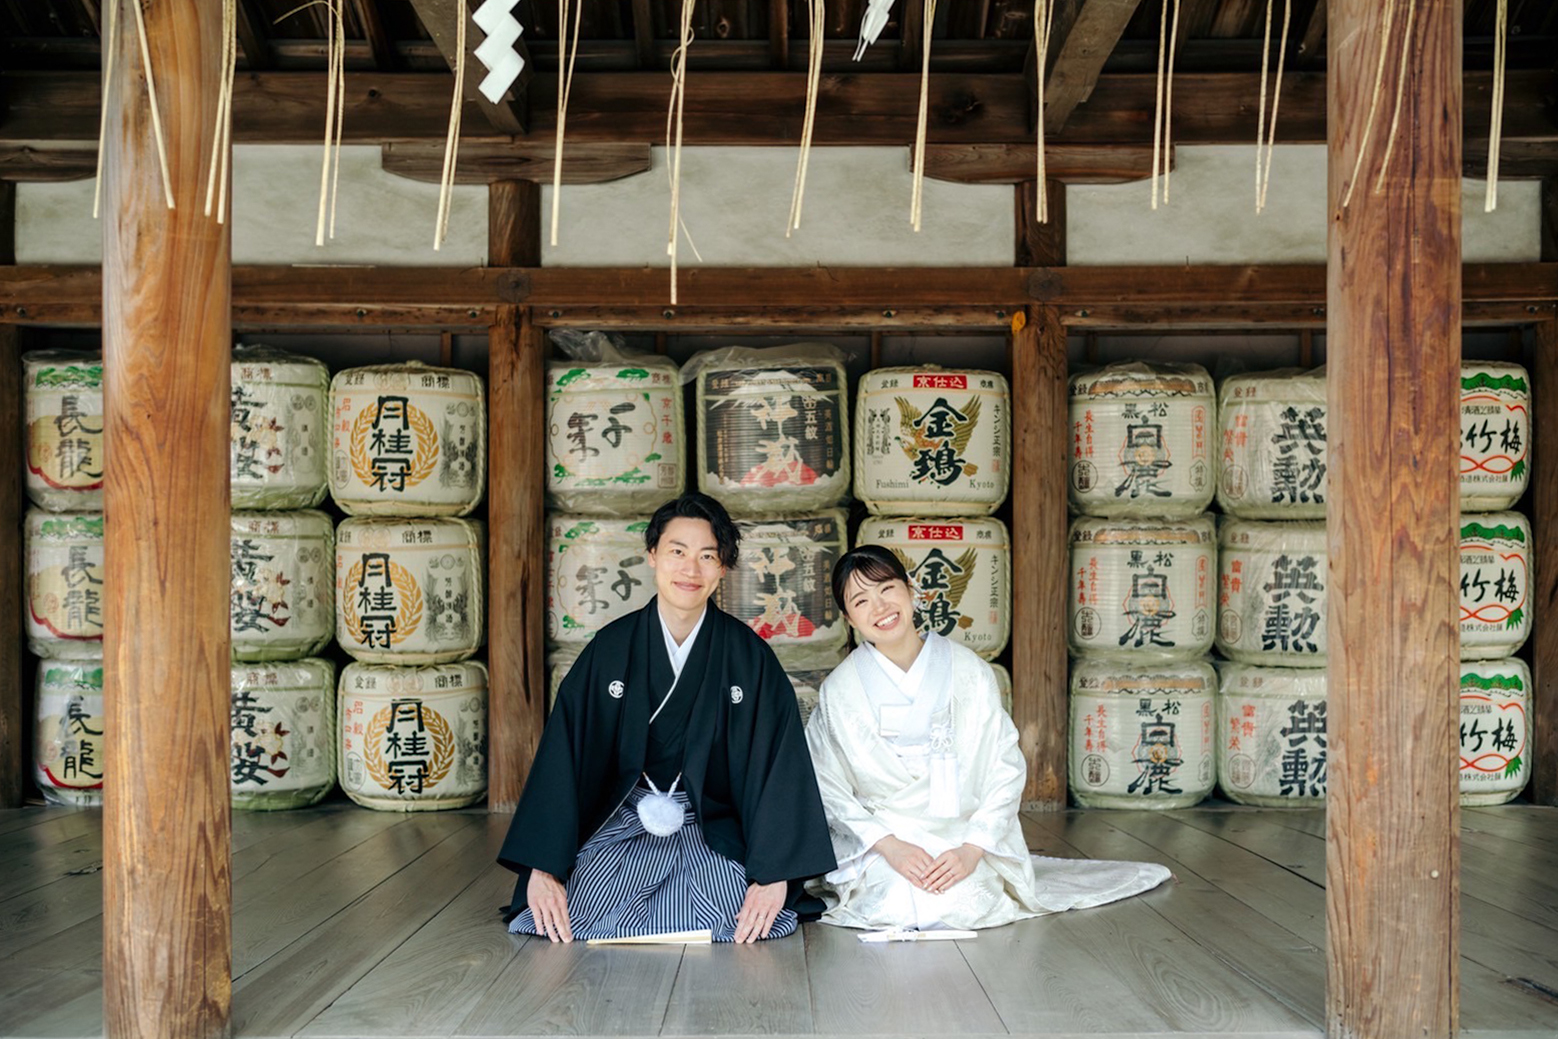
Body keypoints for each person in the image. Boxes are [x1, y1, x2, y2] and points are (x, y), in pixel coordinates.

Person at [498, 492, 837, 943]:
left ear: (723, 567)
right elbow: (564, 756)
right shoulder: (611, 649)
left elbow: (779, 766)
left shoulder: (749, 658)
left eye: (707, 556)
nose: (690, 569)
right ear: (653, 555)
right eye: (677, 552)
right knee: (571, 910)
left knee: (738, 911)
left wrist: (775, 874)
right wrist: (544, 867)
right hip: (623, 822)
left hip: (711, 829)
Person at [804, 545, 1170, 932]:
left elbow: (1003, 765)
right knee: (896, 904)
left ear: (911, 589)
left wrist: (972, 848)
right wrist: (889, 846)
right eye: (861, 600)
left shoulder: (968, 670)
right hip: (885, 839)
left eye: (887, 589)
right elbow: (827, 784)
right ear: (849, 618)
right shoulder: (839, 691)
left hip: (960, 831)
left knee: (962, 901)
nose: (880, 607)